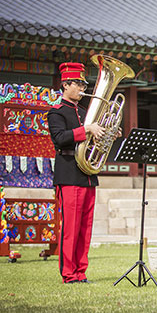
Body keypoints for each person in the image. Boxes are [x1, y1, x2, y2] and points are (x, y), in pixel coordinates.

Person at [47, 62, 106, 284]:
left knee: (85, 228)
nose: (83, 87)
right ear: (66, 85)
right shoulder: (56, 112)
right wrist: (86, 130)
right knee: (70, 228)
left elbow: (93, 141)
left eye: (83, 83)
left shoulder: (85, 112)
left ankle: (81, 272)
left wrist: (107, 134)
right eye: (78, 83)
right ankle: (69, 274)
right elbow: (60, 138)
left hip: (87, 174)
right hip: (69, 173)